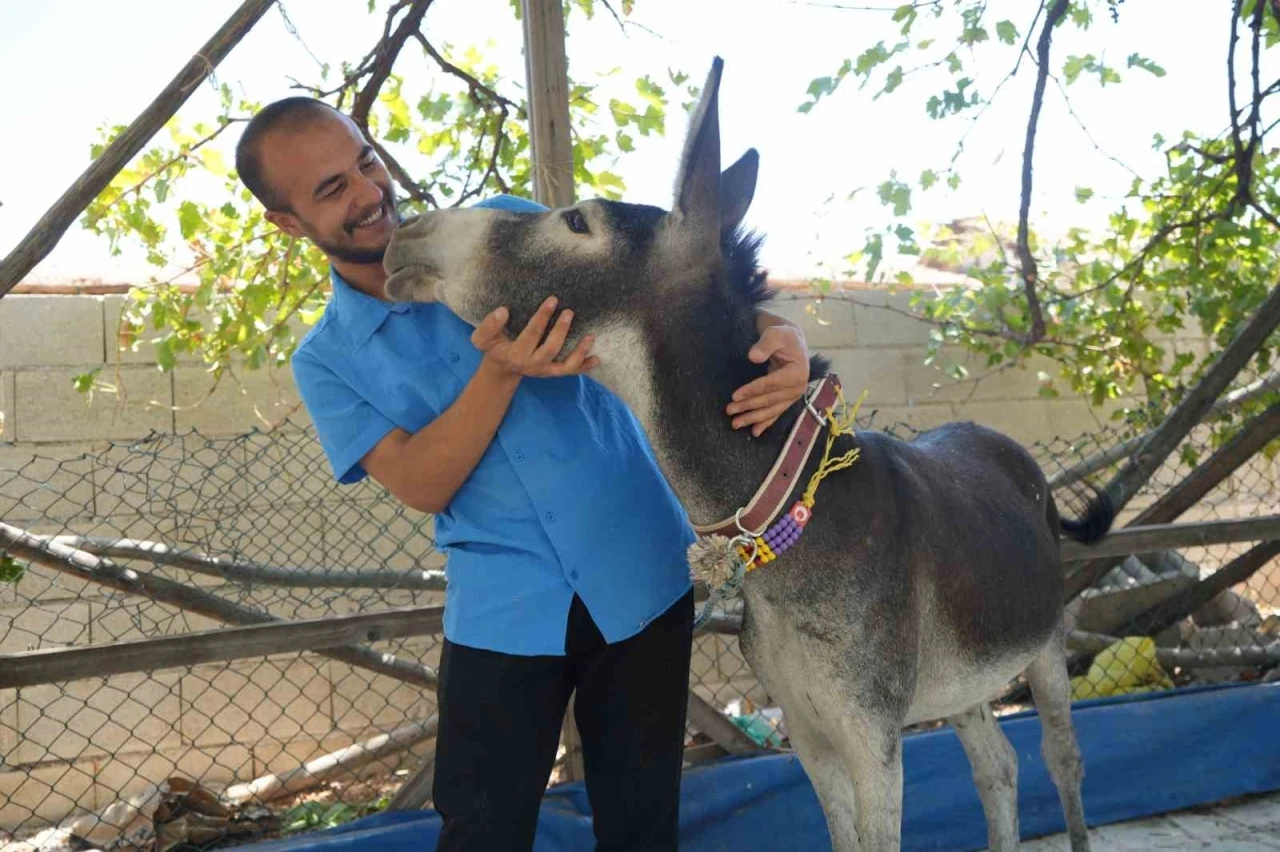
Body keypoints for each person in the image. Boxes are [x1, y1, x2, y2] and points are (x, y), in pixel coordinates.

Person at [234, 96, 811, 851]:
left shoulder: (506, 232)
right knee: (482, 830)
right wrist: (499, 372)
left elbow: (654, 289)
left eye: (365, 162)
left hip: (641, 577)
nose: (370, 193)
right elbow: (421, 483)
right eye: (331, 189)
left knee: (642, 826)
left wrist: (780, 332)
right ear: (287, 222)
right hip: (505, 610)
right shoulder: (327, 359)